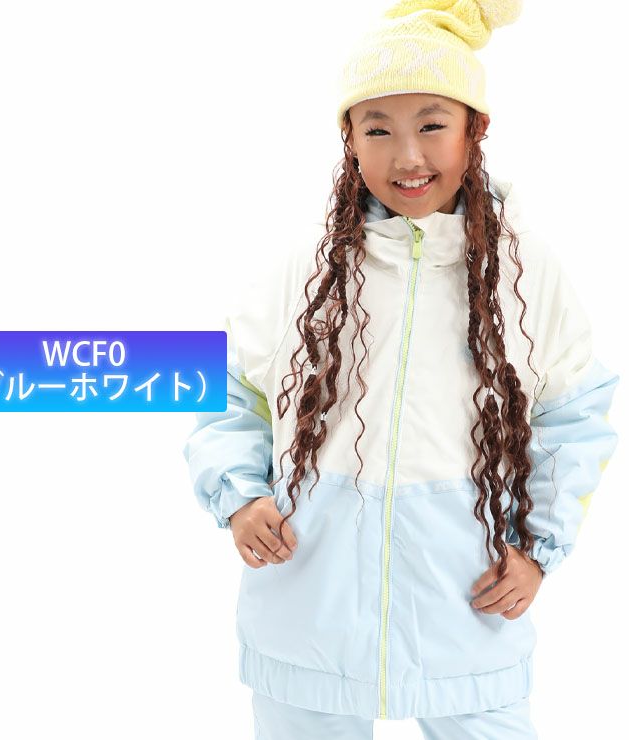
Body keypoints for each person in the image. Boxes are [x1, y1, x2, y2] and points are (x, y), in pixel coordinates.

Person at [182, 1, 620, 737]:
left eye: (432, 124)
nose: (407, 157)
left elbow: (573, 414)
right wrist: (241, 495)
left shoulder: (524, 273)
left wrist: (539, 548)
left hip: (469, 601)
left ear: (475, 130)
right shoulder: (304, 269)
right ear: (349, 140)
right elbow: (224, 383)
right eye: (378, 129)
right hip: (308, 607)